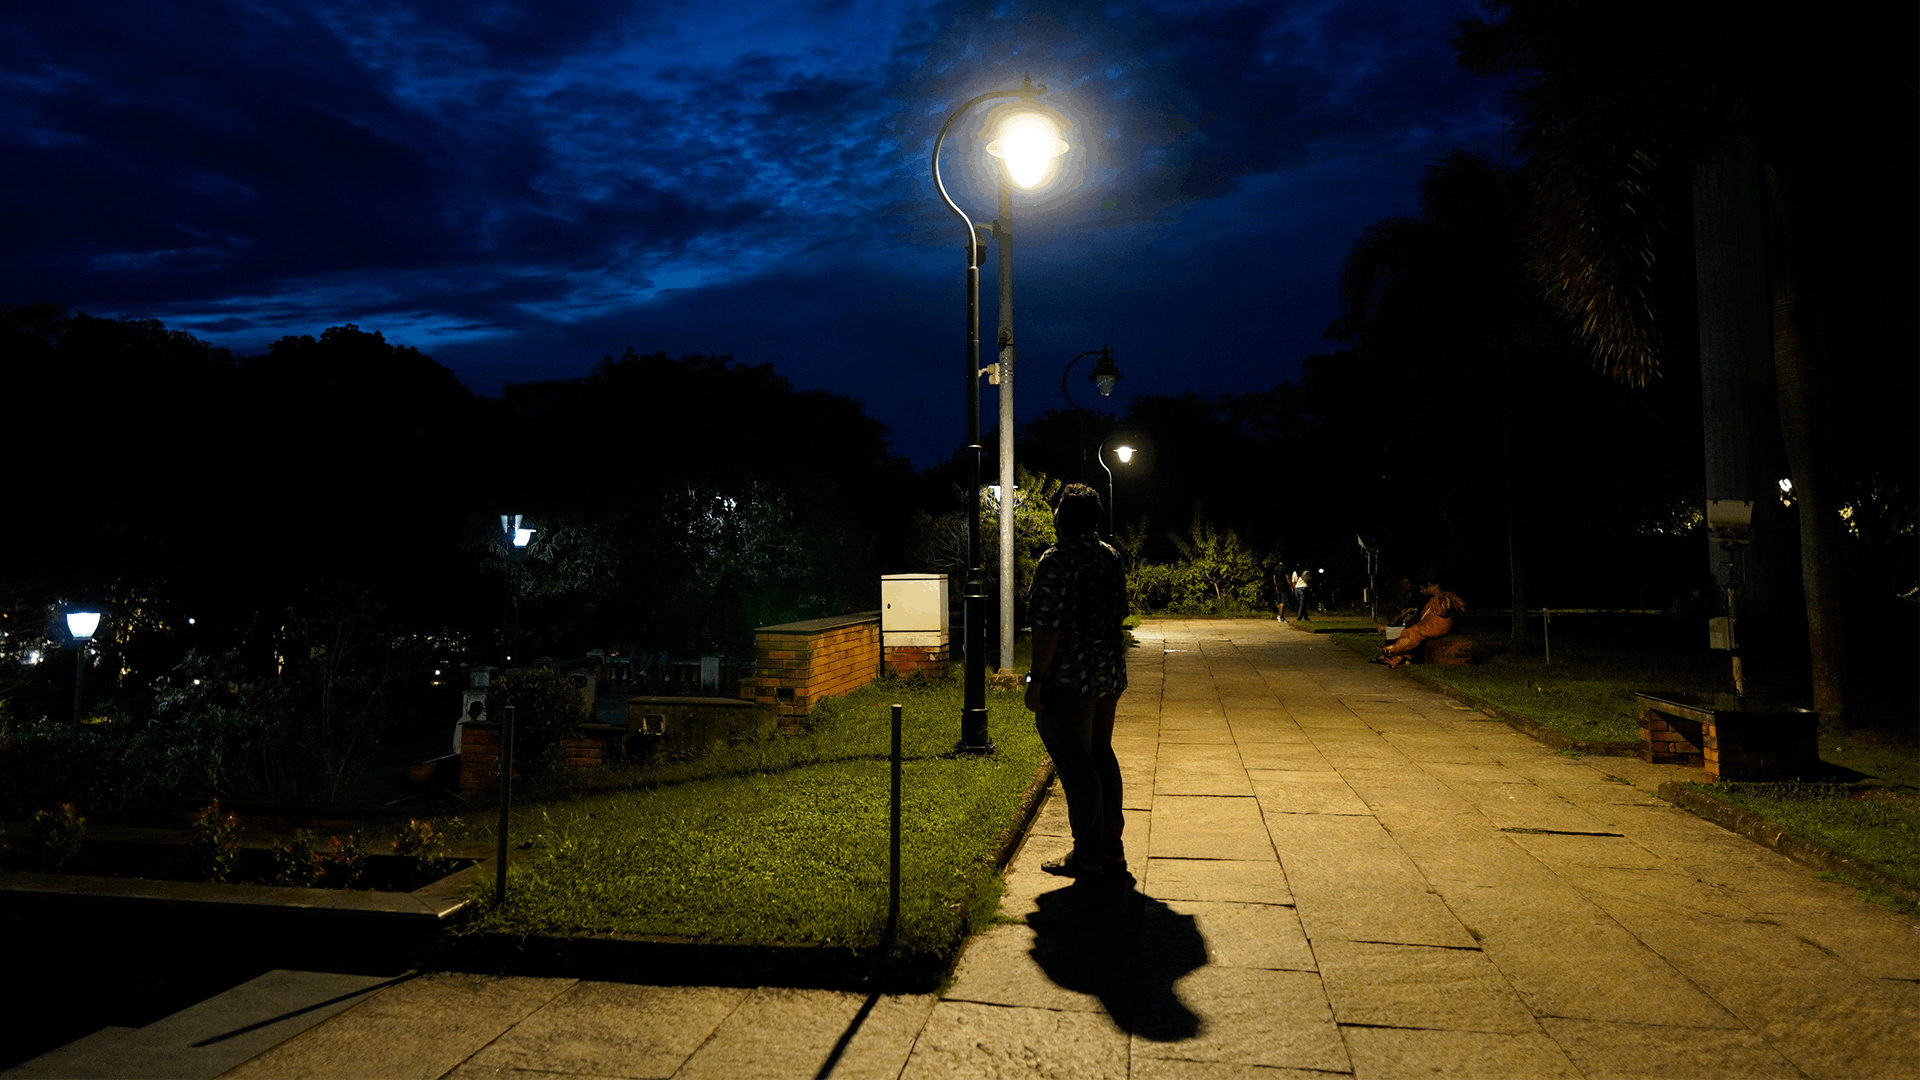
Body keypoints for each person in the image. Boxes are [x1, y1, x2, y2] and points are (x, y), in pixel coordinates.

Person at [1025, 483, 1130, 879]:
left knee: (1078, 766)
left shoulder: (1057, 560)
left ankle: (1087, 855)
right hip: (1108, 673)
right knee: (1102, 756)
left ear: (1062, 518)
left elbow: (1047, 627)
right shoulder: (1111, 557)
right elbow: (1119, 610)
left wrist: (1036, 679)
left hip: (1070, 678)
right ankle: (1111, 849)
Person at [1373, 579, 1467, 668]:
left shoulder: (1443, 597)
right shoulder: (1434, 598)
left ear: (1432, 586)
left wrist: (1437, 594)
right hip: (1429, 623)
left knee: (1414, 632)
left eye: (1423, 589)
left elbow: (1441, 611)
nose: (1421, 592)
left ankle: (1391, 649)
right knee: (1409, 632)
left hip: (1437, 626)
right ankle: (1394, 656)